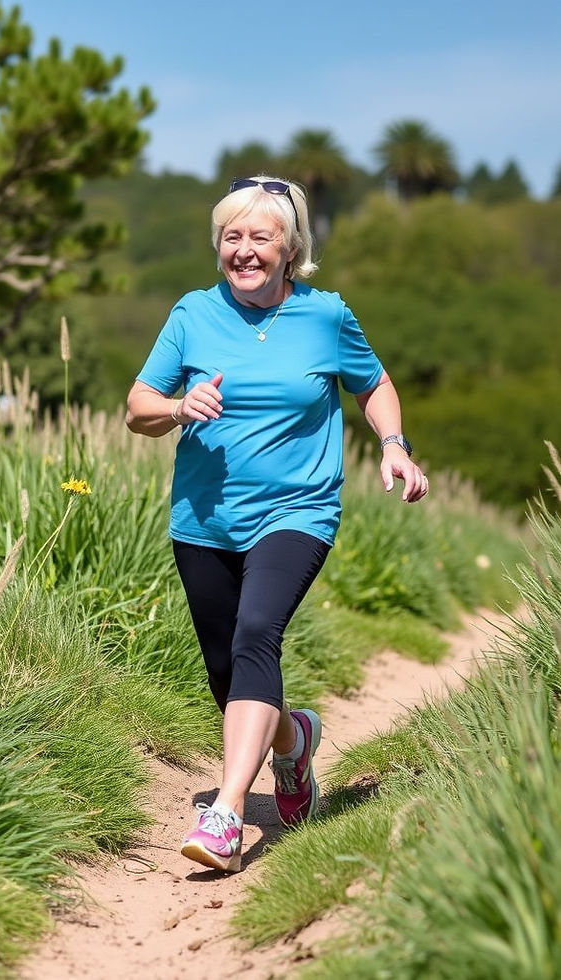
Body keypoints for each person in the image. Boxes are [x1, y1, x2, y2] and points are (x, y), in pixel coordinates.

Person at [124, 176, 427, 874]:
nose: (244, 250)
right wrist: (177, 408)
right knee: (228, 671)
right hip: (203, 520)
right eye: (232, 237)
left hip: (298, 511)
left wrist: (392, 445)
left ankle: (227, 813)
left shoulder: (326, 317)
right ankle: (293, 742)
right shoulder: (192, 314)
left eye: (260, 237)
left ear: (291, 248)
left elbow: (373, 383)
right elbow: (138, 405)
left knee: (259, 631)